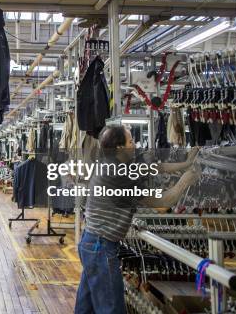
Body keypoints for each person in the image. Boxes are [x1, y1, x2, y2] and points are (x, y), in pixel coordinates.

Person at [75, 125, 200, 314]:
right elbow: (161, 204)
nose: (134, 145)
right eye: (130, 141)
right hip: (100, 247)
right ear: (119, 148)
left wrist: (185, 164)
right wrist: (184, 181)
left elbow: (156, 167)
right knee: (112, 309)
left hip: (92, 244)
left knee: (87, 308)